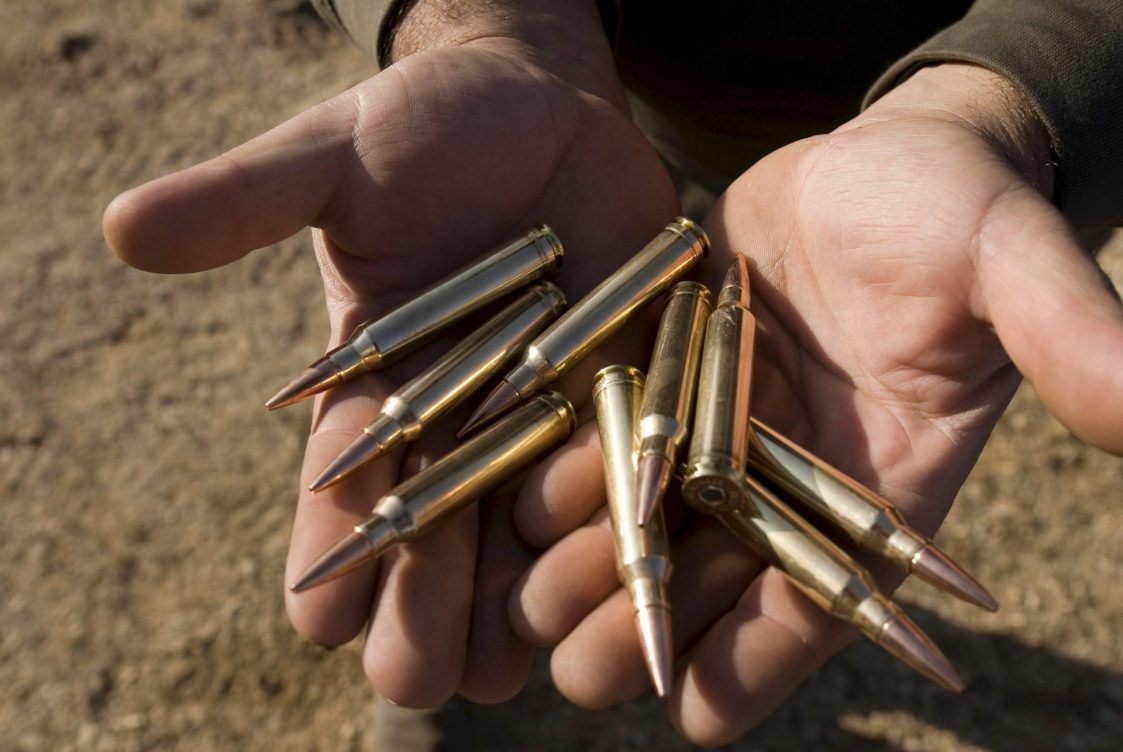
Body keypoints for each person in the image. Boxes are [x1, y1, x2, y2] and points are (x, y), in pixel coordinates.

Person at [102, 1, 1123, 745]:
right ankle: (441, 702)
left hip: (918, 133)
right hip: (601, 107)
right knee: (469, 558)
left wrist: (1018, 89)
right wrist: (481, 21)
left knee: (537, 551)